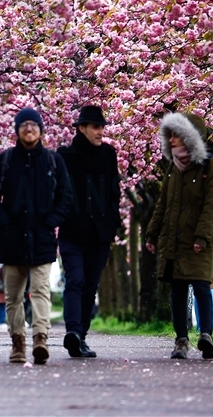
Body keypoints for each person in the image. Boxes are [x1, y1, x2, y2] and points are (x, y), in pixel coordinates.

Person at [0, 107, 74, 364]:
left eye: (34, 125)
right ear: (17, 130)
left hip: (42, 238)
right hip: (12, 239)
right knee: (13, 296)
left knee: (41, 291)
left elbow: (66, 198)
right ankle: (18, 342)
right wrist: (5, 222)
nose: (29, 129)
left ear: (41, 130)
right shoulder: (6, 160)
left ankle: (40, 339)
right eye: (24, 125)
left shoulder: (53, 161)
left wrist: (50, 223)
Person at [145, 112, 213, 360]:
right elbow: (163, 204)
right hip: (174, 238)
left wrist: (202, 237)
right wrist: (152, 233)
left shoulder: (210, 167)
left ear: (190, 137)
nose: (171, 141)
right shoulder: (173, 168)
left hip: (199, 239)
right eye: (169, 136)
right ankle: (181, 340)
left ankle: (206, 335)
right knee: (177, 289)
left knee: (202, 286)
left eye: (177, 137)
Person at [57, 105, 121, 358]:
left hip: (100, 232)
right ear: (82, 128)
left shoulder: (108, 154)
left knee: (90, 285)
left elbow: (113, 191)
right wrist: (66, 216)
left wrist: (112, 222)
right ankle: (73, 331)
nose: (100, 132)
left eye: (102, 127)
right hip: (72, 231)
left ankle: (80, 336)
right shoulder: (65, 155)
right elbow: (59, 191)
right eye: (95, 127)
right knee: (75, 280)